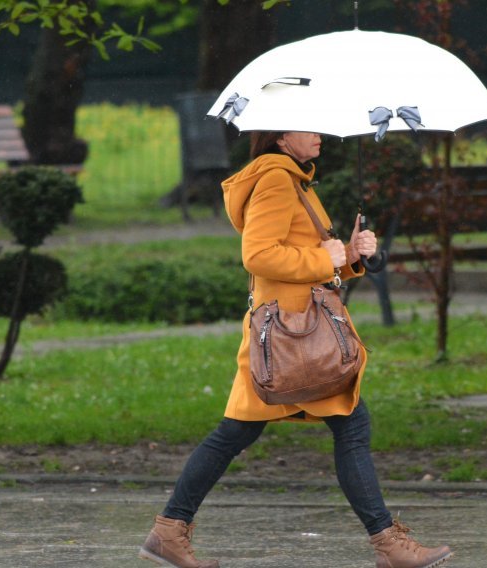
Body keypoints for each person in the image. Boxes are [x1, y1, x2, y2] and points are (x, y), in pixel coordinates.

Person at [139, 131, 453, 568]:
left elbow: (306, 254)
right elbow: (260, 255)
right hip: (294, 337)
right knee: (349, 426)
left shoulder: (295, 179)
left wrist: (350, 255)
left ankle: (169, 530)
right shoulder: (275, 180)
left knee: (239, 432)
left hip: (290, 332)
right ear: (283, 136)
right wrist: (328, 259)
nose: (319, 135)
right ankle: (389, 546)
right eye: (308, 127)